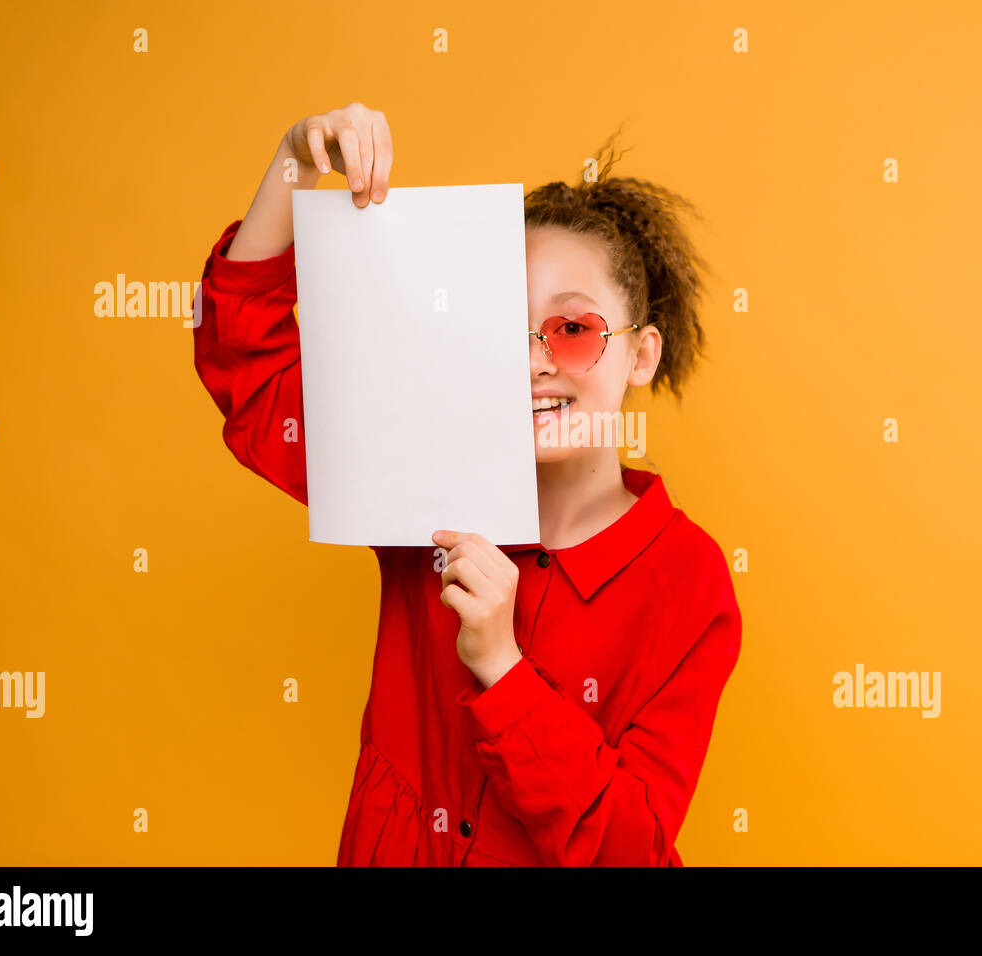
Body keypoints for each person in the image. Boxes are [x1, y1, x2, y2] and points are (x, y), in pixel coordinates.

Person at [193, 102, 741, 865]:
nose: (533, 361)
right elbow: (250, 373)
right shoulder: (420, 473)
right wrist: (295, 161)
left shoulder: (690, 582)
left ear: (641, 356)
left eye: (572, 330)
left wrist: (502, 669)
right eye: (499, 330)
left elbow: (633, 850)